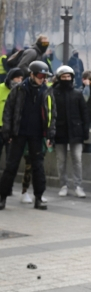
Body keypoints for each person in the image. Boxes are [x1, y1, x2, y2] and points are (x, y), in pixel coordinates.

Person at [0, 61, 55, 211]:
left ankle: (39, 197)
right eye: (39, 75)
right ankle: (2, 197)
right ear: (31, 74)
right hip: (19, 134)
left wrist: (50, 134)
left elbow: (52, 114)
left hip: (37, 135)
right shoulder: (18, 89)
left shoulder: (47, 91)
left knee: (38, 167)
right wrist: (7, 132)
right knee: (11, 166)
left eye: (45, 76)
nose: (42, 79)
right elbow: (8, 112)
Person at [52, 65, 89, 198]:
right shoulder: (53, 93)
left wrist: (85, 131)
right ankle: (63, 185)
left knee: (77, 159)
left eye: (68, 76)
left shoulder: (77, 93)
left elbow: (84, 113)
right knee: (61, 160)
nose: (66, 79)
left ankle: (78, 186)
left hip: (76, 131)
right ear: (59, 78)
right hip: (59, 131)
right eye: (64, 77)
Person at [0, 69, 24, 198]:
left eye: (21, 78)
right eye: (17, 78)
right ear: (10, 78)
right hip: (0, 128)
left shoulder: (21, 92)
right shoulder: (1, 89)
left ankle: (7, 187)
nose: (19, 80)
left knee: (11, 162)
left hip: (12, 132)